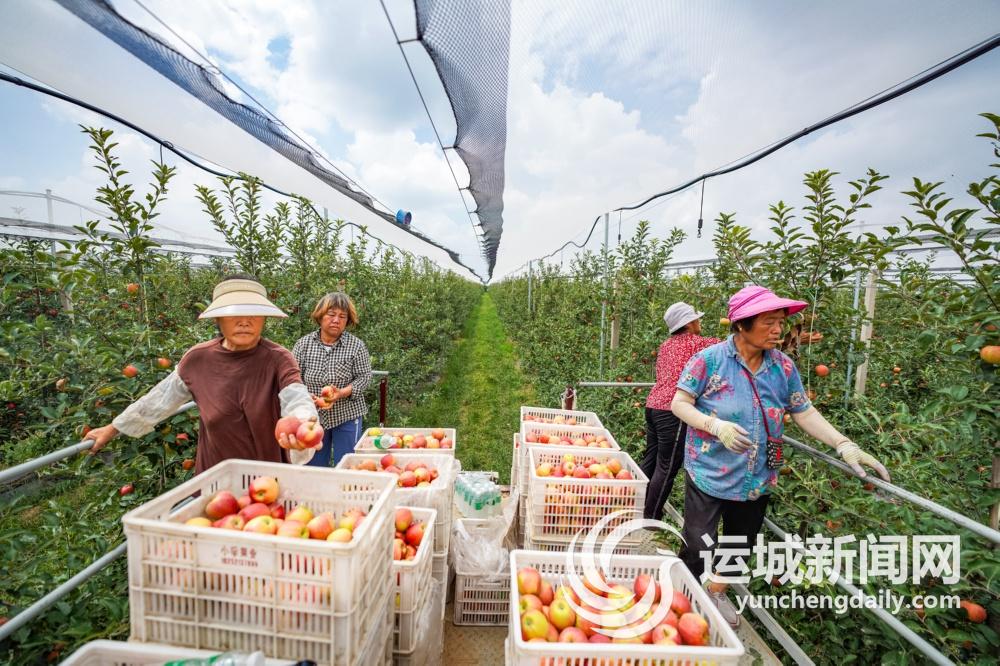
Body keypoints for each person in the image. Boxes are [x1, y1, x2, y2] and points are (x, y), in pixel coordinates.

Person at [670, 285, 890, 627]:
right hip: (710, 469)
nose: (778, 330)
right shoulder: (709, 360)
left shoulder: (783, 368)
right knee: (698, 543)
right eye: (769, 322)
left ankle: (715, 591)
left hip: (756, 475)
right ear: (741, 324)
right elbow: (679, 403)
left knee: (740, 542)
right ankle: (679, 601)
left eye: (781, 322)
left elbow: (804, 412)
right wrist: (714, 425)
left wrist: (843, 443)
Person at [84, 275, 322, 471]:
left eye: (253, 313)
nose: (244, 321)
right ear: (218, 319)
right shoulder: (197, 359)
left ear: (264, 319)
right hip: (216, 473)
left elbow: (296, 398)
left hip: (268, 473)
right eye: (233, 313)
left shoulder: (278, 358)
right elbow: (158, 399)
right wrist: (112, 428)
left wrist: (303, 426)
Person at [640, 302, 720, 521]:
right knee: (667, 466)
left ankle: (635, 503)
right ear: (690, 323)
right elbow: (737, 346)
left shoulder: (666, 345)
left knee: (651, 459)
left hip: (653, 405)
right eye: (697, 318)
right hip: (672, 410)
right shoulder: (699, 344)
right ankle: (650, 518)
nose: (699, 322)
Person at [292, 292, 372, 467]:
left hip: (347, 414)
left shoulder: (356, 346)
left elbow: (365, 377)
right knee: (314, 465)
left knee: (348, 464)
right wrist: (306, 397)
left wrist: (341, 393)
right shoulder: (303, 344)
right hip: (313, 416)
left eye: (342, 316)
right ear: (320, 316)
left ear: (347, 321)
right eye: (331, 314)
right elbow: (293, 379)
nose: (336, 320)